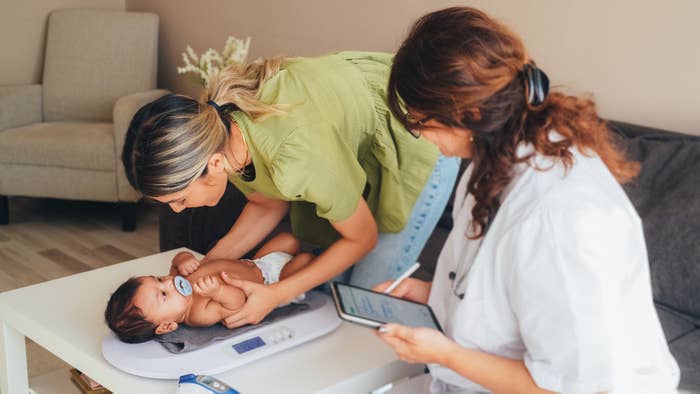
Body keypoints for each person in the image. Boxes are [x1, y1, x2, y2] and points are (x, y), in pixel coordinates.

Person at [373, 7, 680, 394]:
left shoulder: (557, 219)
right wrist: (432, 294)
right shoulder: (492, 160)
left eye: (422, 125)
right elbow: (499, 288)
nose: (424, 139)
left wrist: (444, 354)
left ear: (468, 112)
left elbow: (568, 388)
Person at [122, 51, 459, 329]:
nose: (178, 210)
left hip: (415, 130)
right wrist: (207, 266)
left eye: (178, 199)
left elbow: (363, 238)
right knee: (322, 291)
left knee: (358, 310)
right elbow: (266, 202)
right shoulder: (222, 133)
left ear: (212, 167)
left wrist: (278, 295)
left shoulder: (294, 153)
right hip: (343, 143)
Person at [105, 233, 312, 343]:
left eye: (158, 279)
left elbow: (176, 261)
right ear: (167, 325)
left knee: (289, 239)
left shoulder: (175, 279)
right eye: (164, 294)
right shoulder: (198, 315)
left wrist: (184, 258)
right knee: (305, 260)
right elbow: (236, 303)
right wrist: (218, 292)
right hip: (272, 282)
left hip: (256, 262)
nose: (168, 281)